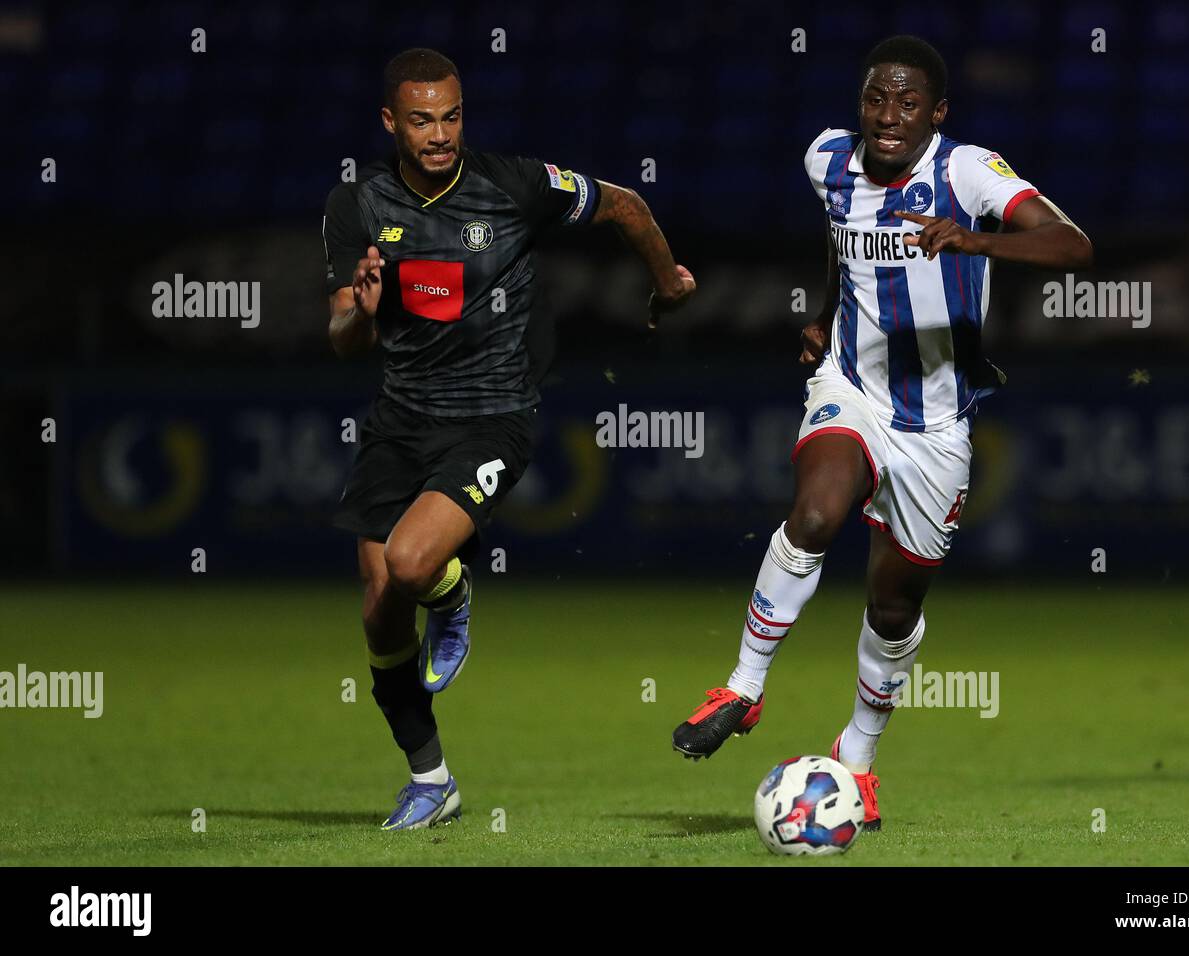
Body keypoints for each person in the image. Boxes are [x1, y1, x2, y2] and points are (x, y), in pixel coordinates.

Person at [671, 35, 1090, 831]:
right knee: (817, 514)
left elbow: (1073, 244)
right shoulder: (826, 159)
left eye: (906, 104)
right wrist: (827, 314)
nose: (887, 118)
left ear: (938, 113)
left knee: (893, 610)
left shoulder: (967, 171)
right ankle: (745, 685)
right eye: (874, 100)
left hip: (937, 426)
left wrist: (977, 238)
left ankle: (857, 757)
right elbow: (841, 240)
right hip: (851, 387)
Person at [325, 48, 695, 830]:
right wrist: (358, 309)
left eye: (451, 116)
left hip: (493, 414)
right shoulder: (356, 204)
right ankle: (432, 781)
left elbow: (626, 206)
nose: (439, 134)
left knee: (413, 562)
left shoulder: (514, 185)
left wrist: (668, 283)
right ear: (390, 122)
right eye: (421, 119)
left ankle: (453, 598)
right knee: (379, 613)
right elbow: (340, 338)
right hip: (399, 420)